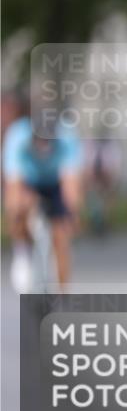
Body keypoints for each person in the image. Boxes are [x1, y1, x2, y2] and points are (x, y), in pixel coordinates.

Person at [3, 91, 83, 292]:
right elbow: (13, 187)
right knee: (18, 208)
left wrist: (72, 213)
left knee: (62, 237)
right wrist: (16, 213)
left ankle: (63, 296)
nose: (43, 147)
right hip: (28, 181)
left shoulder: (67, 137)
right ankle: (22, 251)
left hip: (55, 182)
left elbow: (71, 185)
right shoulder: (16, 137)